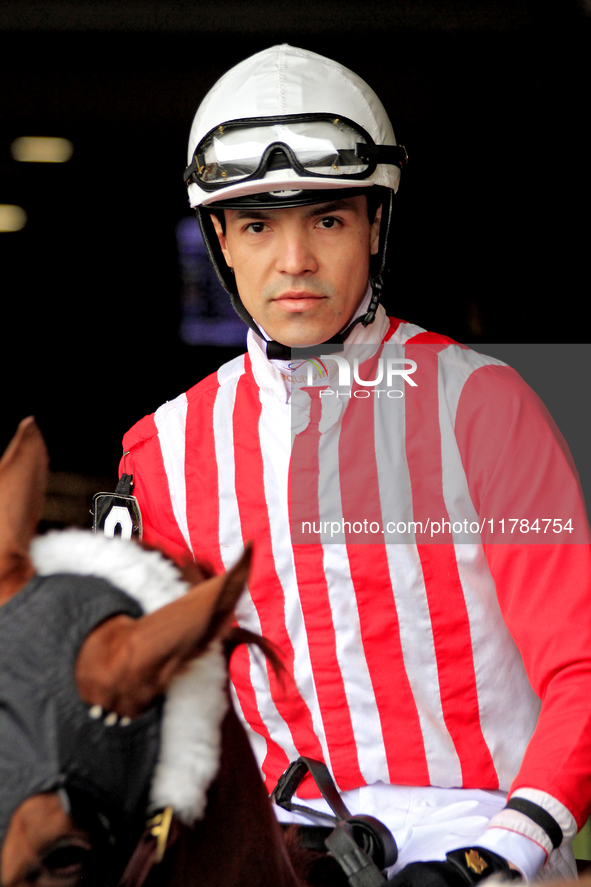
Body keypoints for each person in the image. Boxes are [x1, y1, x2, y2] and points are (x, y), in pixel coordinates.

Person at [118, 45, 591, 883]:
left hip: (489, 839)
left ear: (375, 224)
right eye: (259, 224)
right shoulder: (160, 447)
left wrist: (500, 851)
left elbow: (581, 663)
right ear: (220, 240)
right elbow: (142, 705)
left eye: (327, 220)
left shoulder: (486, 404)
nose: (293, 261)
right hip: (278, 852)